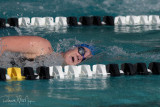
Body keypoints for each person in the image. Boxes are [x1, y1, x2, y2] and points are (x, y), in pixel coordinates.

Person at [0, 36, 94, 65]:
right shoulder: (42, 46)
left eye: (83, 59)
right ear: (72, 47)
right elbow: (2, 43)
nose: (80, 57)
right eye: (82, 51)